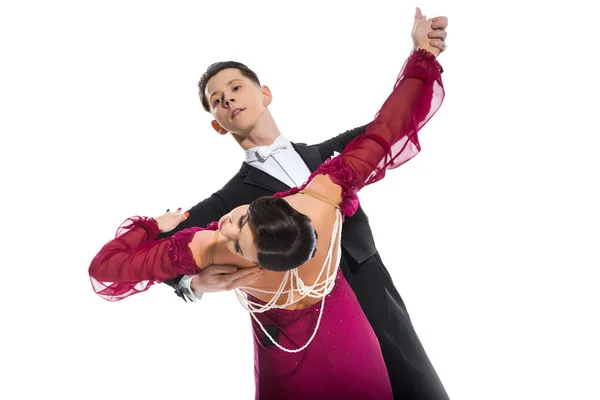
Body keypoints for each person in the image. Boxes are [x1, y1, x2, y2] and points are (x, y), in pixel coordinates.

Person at [89, 9, 449, 399]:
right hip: (301, 331)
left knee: (415, 387)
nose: (227, 98)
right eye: (217, 100)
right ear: (217, 124)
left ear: (264, 94)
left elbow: (392, 121)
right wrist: (193, 283)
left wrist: (422, 54)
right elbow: (152, 256)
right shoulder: (227, 203)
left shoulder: (328, 156)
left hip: (371, 288)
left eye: (235, 87)